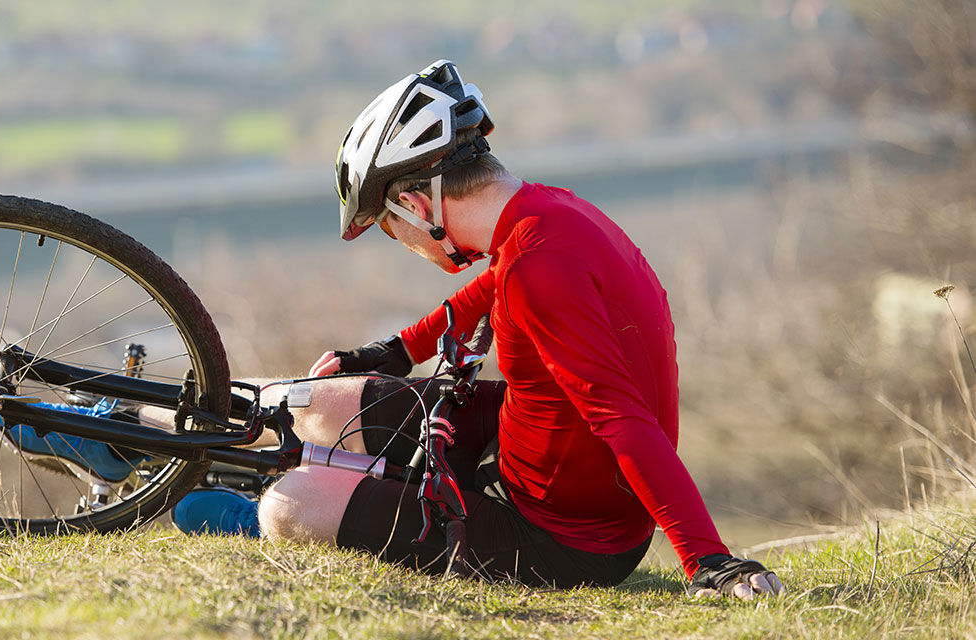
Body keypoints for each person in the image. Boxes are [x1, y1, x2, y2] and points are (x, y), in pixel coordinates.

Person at [170, 60, 784, 599]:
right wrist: (395, 351)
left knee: (292, 504)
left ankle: (256, 512)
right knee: (311, 401)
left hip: (565, 537)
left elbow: (622, 419)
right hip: (519, 444)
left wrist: (708, 559)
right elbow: (491, 289)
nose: (405, 245)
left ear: (415, 206)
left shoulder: (541, 269)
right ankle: (118, 419)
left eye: (392, 230)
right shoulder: (545, 214)